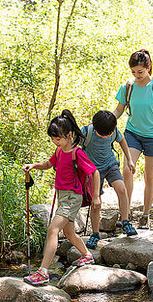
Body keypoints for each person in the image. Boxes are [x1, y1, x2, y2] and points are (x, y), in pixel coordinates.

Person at [22, 110, 101, 286]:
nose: (55, 142)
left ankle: (43, 272)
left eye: (58, 138)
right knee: (69, 232)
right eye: (53, 139)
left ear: (69, 135)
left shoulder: (77, 153)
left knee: (52, 230)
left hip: (72, 198)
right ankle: (87, 255)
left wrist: (96, 197)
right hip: (63, 197)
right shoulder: (59, 152)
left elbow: (94, 172)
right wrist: (34, 165)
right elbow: (49, 164)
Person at [112, 50, 153, 228]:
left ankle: (146, 214)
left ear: (148, 68)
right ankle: (126, 212)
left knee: (149, 177)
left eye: (140, 72)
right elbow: (119, 110)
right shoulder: (128, 86)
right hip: (133, 133)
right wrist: (105, 122)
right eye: (133, 72)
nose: (137, 76)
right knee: (127, 170)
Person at [81, 110, 138, 249]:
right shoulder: (86, 132)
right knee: (96, 202)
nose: (107, 136)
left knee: (122, 189)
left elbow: (122, 140)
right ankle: (95, 233)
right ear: (95, 128)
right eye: (104, 134)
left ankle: (125, 221)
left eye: (109, 133)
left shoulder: (112, 130)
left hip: (110, 164)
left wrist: (129, 160)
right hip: (93, 171)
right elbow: (73, 146)